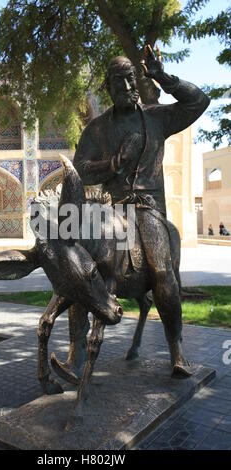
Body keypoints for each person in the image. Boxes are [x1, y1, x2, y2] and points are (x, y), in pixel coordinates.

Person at [65, 45, 210, 376]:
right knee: (79, 271)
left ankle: (177, 350)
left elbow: (199, 102)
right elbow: (80, 169)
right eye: (119, 84)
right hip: (111, 209)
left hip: (147, 209)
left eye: (131, 81)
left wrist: (163, 76)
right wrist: (113, 164)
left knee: (162, 272)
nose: (127, 89)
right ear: (109, 89)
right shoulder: (97, 129)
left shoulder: (156, 119)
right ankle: (74, 357)